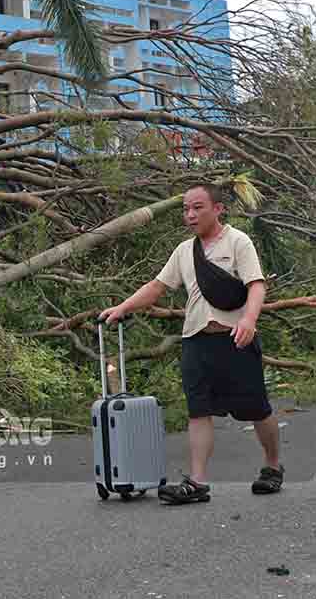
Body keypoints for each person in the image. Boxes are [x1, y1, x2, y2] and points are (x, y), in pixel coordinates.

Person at [98, 183, 282, 504]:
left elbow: (256, 286)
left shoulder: (239, 242)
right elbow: (157, 286)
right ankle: (197, 483)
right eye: (186, 209)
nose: (190, 214)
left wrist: (249, 321)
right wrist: (123, 307)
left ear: (218, 209)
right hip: (196, 341)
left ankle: (272, 465)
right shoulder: (185, 251)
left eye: (198, 207)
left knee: (257, 410)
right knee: (198, 411)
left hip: (235, 339)